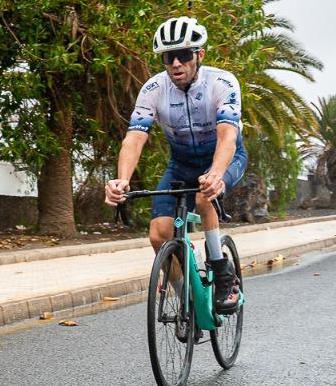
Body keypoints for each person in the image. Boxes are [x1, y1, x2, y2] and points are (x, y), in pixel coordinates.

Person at [103, 16, 246, 314]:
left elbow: (228, 136)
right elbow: (134, 138)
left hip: (223, 157)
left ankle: (221, 271)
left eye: (183, 55)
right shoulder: (153, 89)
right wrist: (121, 181)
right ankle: (187, 300)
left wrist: (216, 173)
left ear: (199, 55)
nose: (176, 64)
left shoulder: (222, 83)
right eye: (169, 57)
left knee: (203, 194)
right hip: (181, 164)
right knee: (158, 234)